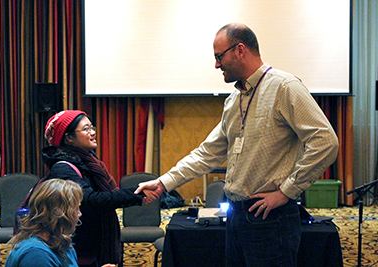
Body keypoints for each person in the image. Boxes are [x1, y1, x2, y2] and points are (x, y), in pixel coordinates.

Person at [136, 22, 339, 267]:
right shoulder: (234, 100)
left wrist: (287, 191)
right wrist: (163, 182)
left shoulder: (285, 87)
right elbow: (206, 154)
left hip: (271, 219)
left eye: (219, 56)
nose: (216, 64)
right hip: (235, 218)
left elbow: (325, 142)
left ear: (240, 50)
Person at [41, 110, 147, 266]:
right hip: (80, 245)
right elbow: (90, 200)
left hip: (93, 240)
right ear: (69, 138)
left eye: (92, 128)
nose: (92, 133)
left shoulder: (88, 161)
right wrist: (137, 193)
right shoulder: (63, 168)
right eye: (86, 129)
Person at [5, 178, 114, 267]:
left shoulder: (61, 242)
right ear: (59, 213)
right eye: (76, 209)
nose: (79, 214)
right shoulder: (35, 255)